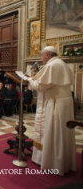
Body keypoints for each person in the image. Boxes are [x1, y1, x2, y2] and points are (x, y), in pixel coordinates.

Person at [23, 46, 76, 176]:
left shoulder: (51, 66)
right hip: (64, 103)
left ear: (47, 55)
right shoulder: (62, 64)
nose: (41, 58)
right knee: (61, 132)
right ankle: (62, 161)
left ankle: (51, 162)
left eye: (42, 55)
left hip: (55, 103)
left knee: (53, 131)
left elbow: (41, 86)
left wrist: (29, 79)